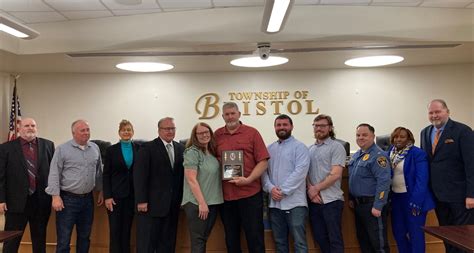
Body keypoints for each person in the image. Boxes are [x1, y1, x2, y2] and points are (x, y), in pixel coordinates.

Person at [420, 99, 474, 253]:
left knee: (464, 237)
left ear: (447, 112)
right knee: (447, 236)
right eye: (431, 112)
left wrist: (472, 194)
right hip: (438, 196)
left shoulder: (463, 131)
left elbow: (471, 165)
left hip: (461, 196)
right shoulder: (425, 132)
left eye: (438, 112)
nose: (434, 115)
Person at [215, 102, 269, 253]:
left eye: (233, 113)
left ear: (239, 114)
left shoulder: (252, 133)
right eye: (227, 114)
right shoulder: (216, 135)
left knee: (255, 238)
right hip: (226, 197)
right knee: (231, 239)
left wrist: (249, 179)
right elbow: (211, 161)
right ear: (223, 116)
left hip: (249, 194)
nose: (230, 116)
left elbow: (263, 162)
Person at [45, 119, 104, 253]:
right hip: (67, 200)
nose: (86, 133)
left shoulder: (95, 148)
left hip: (88, 200)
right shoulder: (62, 149)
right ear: (73, 133)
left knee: (84, 237)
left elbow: (98, 171)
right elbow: (54, 173)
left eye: (87, 130)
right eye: (82, 130)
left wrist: (100, 190)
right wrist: (55, 196)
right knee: (64, 239)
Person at [0, 118, 55, 253]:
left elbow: (54, 173)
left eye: (33, 125)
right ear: (19, 128)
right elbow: (1, 176)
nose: (30, 128)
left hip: (41, 201)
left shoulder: (48, 145)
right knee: (11, 241)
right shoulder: (6, 147)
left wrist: (55, 195)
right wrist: (1, 199)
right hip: (15, 203)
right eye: (26, 125)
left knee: (39, 240)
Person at [134, 117, 184, 253]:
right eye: (166, 128)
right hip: (151, 206)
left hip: (172, 206)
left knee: (168, 243)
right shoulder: (147, 148)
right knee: (147, 244)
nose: (170, 131)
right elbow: (139, 176)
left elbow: (180, 177)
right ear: (159, 130)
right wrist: (141, 200)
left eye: (172, 128)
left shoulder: (180, 148)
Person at [262, 114, 310, 253]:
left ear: (291, 127)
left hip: (295, 204)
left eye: (285, 124)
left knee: (299, 242)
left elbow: (300, 173)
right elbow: (264, 173)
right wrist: (271, 189)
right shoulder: (269, 149)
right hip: (275, 205)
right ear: (275, 127)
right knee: (280, 242)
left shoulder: (300, 147)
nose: (281, 127)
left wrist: (282, 191)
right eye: (278, 125)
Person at [388, 127, 435, 253]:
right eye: (396, 137)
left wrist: (416, 203)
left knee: (416, 235)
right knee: (398, 233)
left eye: (402, 137)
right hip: (396, 199)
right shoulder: (389, 153)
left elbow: (422, 180)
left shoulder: (417, 153)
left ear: (409, 138)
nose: (398, 139)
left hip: (414, 198)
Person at [348, 123, 391, 253]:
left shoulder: (378, 156)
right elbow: (353, 179)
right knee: (364, 241)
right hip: (359, 205)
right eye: (358, 135)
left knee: (378, 244)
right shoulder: (357, 155)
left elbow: (383, 182)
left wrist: (378, 205)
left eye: (365, 135)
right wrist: (351, 197)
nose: (361, 138)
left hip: (372, 205)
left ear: (373, 136)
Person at [181, 122, 223, 253]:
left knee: (203, 239)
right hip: (197, 203)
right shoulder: (192, 152)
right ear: (195, 136)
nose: (204, 135)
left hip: (212, 202)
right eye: (200, 133)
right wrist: (202, 203)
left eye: (207, 132)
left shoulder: (210, 153)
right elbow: (191, 179)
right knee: (198, 240)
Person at [307, 114, 346, 253]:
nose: (319, 128)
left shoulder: (337, 147)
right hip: (315, 201)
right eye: (316, 126)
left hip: (331, 201)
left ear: (330, 128)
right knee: (320, 237)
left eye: (322, 126)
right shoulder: (309, 149)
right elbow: (306, 174)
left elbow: (335, 174)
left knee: (334, 239)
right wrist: (311, 191)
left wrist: (315, 189)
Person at [103, 120, 139, 253]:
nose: (126, 132)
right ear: (119, 132)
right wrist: (107, 196)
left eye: (129, 130)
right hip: (115, 197)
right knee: (115, 231)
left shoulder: (139, 149)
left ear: (133, 132)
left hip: (132, 196)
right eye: (123, 130)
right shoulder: (111, 150)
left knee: (127, 231)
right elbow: (106, 175)